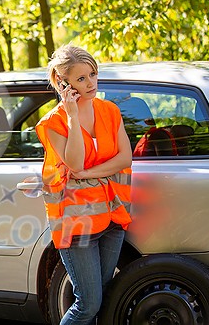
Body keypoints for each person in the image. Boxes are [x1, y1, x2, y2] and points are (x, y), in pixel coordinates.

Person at [35, 45, 132, 324]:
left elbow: (125, 158)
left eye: (92, 74)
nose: (90, 83)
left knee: (101, 298)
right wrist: (73, 116)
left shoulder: (110, 111)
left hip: (113, 215)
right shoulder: (54, 122)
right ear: (62, 83)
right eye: (80, 79)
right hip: (77, 223)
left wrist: (89, 174)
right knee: (87, 304)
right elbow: (74, 164)